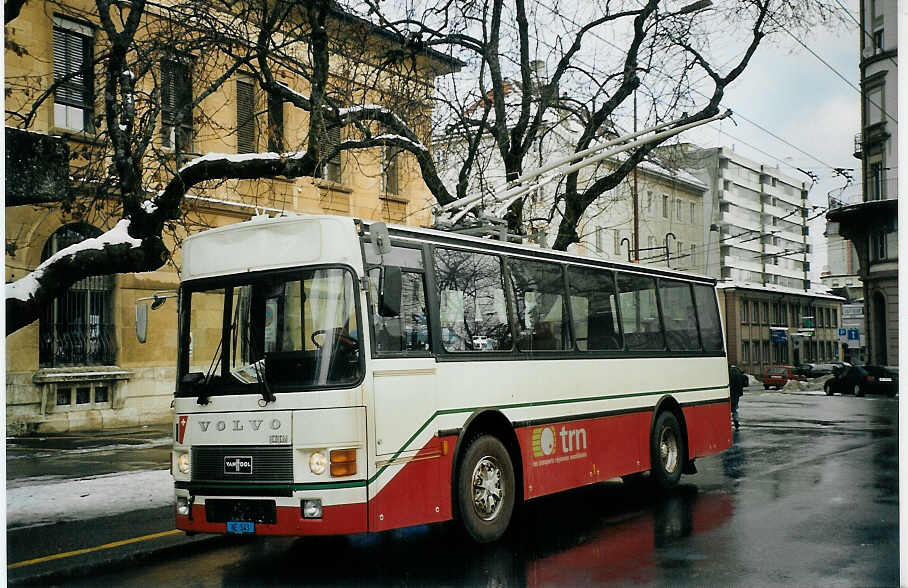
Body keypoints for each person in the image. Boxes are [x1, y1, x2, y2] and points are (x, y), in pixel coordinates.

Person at [728, 364, 746, 429]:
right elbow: (742, 384)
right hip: (736, 395)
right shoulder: (738, 374)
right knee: (734, 410)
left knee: (727, 410)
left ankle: (728, 423)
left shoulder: (728, 374)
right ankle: (736, 422)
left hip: (729, 394)